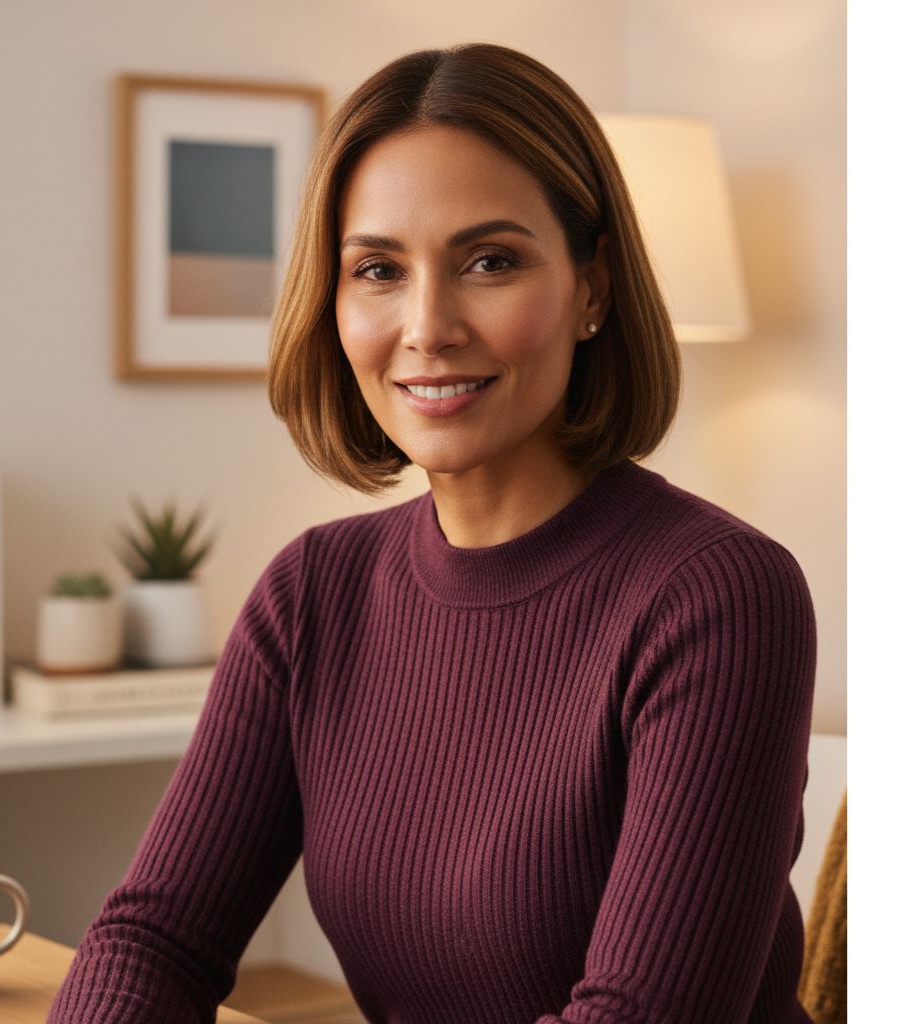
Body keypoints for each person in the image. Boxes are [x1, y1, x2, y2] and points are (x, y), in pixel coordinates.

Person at [49, 43, 816, 1024]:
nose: (427, 324)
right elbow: (153, 938)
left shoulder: (718, 594)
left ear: (593, 288)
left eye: (489, 261)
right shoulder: (310, 593)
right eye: (377, 269)